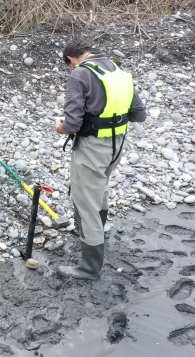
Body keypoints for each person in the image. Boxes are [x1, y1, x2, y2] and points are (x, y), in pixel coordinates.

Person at [54, 40, 146, 280]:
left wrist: (59, 128)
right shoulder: (119, 70)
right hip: (117, 144)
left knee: (86, 202)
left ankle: (89, 267)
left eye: (70, 66)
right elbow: (139, 114)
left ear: (71, 59)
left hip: (93, 146)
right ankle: (97, 234)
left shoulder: (80, 74)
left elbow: (72, 124)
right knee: (100, 187)